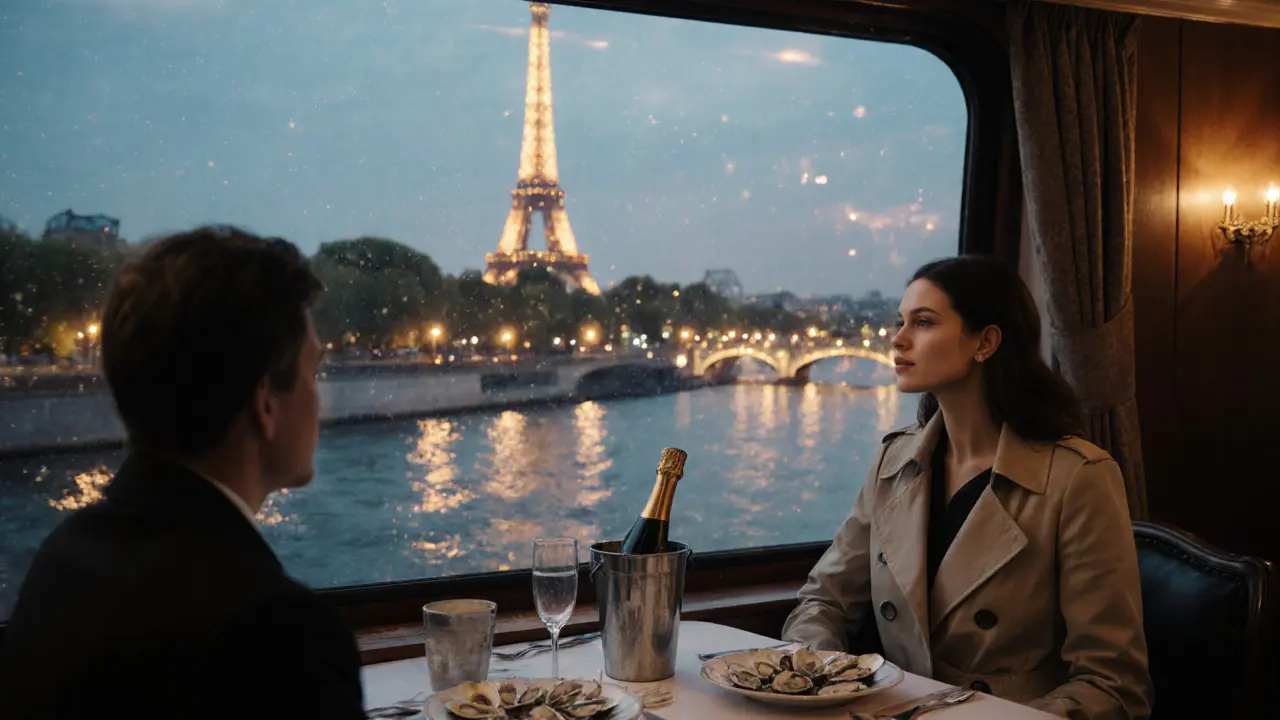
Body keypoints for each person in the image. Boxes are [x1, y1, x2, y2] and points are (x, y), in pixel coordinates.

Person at [0, 227, 365, 718]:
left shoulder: (61, 556)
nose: (319, 398)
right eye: (312, 374)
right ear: (265, 405)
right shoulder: (279, 633)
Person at [781, 256, 1152, 719]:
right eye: (900, 322)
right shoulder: (892, 461)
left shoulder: (1080, 478)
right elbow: (824, 602)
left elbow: (1114, 686)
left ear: (986, 342)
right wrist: (821, 677)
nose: (898, 339)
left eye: (924, 322)